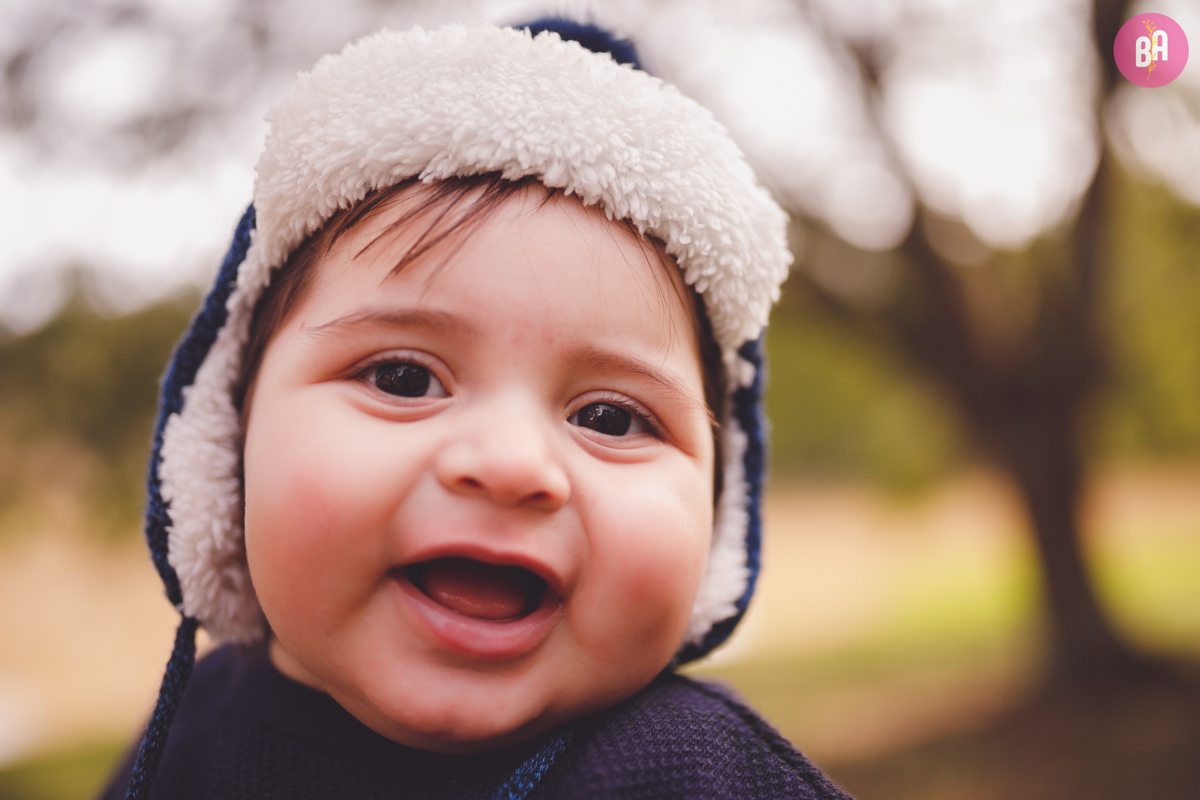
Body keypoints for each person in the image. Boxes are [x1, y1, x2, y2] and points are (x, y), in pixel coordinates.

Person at [99, 20, 855, 800]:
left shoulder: (699, 776)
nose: (510, 465)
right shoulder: (185, 738)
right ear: (228, 443)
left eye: (610, 419)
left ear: (718, 511)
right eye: (400, 376)